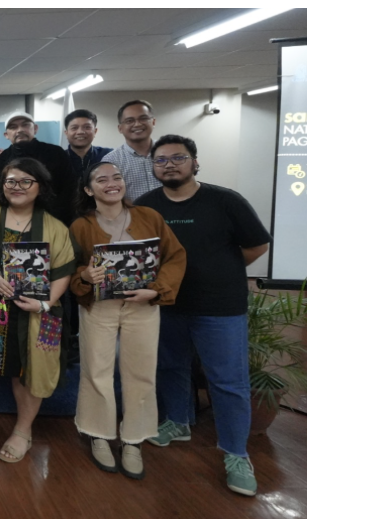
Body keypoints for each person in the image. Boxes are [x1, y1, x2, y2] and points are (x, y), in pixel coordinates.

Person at [134, 134, 272, 497]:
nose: (169, 165)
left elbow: (257, 245)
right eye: (160, 160)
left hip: (220, 307)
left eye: (178, 158)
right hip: (167, 305)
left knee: (227, 381)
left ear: (195, 162)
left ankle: (236, 453)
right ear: (153, 167)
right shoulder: (147, 206)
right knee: (169, 367)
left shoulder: (225, 200)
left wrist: (223, 269)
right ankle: (176, 422)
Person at [68, 161, 186, 480]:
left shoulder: (150, 217)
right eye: (102, 179)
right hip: (99, 306)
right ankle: (99, 434)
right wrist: (86, 275)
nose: (112, 183)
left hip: (143, 304)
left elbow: (175, 257)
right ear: (89, 189)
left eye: (117, 177)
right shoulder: (81, 225)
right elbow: (72, 268)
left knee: (141, 372)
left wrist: (156, 290)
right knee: (97, 370)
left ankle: (134, 439)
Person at [0, 157, 76, 464]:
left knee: (29, 369)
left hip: (36, 312)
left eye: (27, 181)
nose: (17, 187)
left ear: (40, 187)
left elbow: (64, 271)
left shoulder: (54, 226)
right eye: (11, 181)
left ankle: (23, 430)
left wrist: (45, 303)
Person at [0, 114, 78, 226]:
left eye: (25, 125)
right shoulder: (0, 161)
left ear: (35, 129)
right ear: (6, 135)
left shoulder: (56, 153)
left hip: (54, 221)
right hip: (11, 224)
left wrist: (56, 221)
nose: (19, 130)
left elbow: (70, 190)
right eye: (13, 127)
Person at [101, 100, 162, 202]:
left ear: (153, 122)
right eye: (129, 121)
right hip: (133, 217)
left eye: (143, 119)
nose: (137, 124)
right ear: (120, 128)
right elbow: (109, 198)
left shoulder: (169, 153)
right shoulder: (111, 160)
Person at [64, 109, 113, 178]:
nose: (80, 132)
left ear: (95, 131)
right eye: (74, 128)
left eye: (87, 127)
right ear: (66, 133)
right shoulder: (57, 158)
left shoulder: (109, 155)